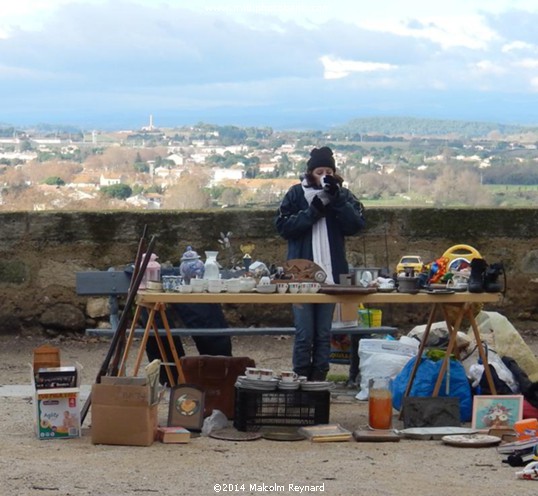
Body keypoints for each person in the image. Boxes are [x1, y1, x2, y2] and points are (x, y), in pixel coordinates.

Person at [275, 146, 365, 381]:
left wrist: (335, 202)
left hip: (331, 275)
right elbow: (284, 227)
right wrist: (313, 211)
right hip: (300, 275)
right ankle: (301, 379)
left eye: (328, 170)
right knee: (304, 333)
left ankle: (319, 382)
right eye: (319, 170)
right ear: (310, 173)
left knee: (324, 333)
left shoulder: (343, 196)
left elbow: (356, 225)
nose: (324, 174)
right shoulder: (295, 194)